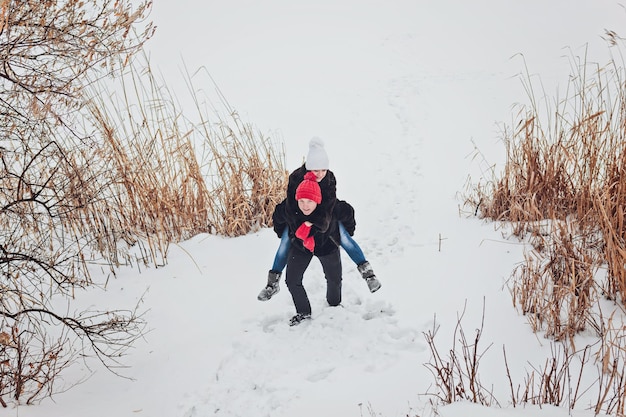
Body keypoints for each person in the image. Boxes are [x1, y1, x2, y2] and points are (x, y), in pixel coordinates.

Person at [257, 137, 381, 302]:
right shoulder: (296, 178)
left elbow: (327, 206)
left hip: (324, 214)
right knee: (285, 242)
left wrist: (314, 224)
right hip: (298, 214)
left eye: (323, 169)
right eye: (316, 170)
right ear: (309, 167)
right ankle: (272, 283)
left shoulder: (329, 178)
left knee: (344, 237)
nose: (320, 174)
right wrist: (300, 227)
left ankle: (368, 274)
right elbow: (292, 205)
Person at [272, 171, 356, 326]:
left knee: (334, 279)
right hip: (301, 246)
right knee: (292, 280)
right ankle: (303, 311)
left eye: (309, 201)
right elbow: (277, 215)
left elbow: (348, 212)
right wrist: (282, 232)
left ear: (318, 201)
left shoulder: (331, 207)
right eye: (301, 201)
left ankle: (334, 304)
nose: (305, 206)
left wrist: (349, 231)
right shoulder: (291, 209)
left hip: (326, 245)